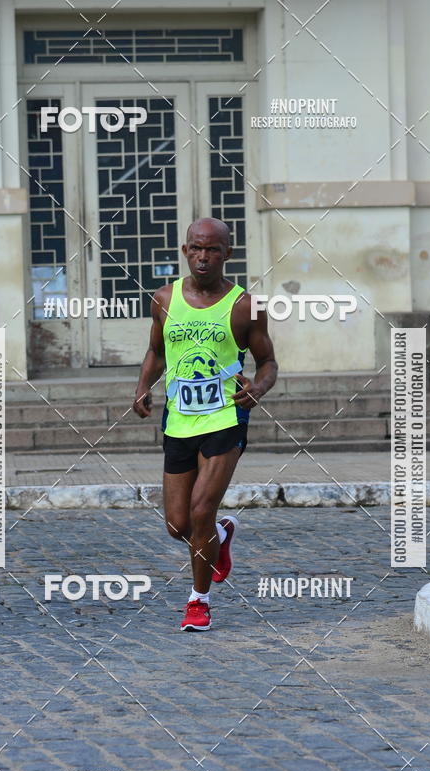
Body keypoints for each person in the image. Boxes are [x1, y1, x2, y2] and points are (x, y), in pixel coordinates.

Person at [133, 218, 278, 631]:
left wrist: (258, 387)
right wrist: (143, 385)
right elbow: (156, 351)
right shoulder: (164, 299)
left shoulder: (246, 306)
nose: (203, 257)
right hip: (178, 418)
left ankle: (199, 601)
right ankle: (220, 533)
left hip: (225, 417)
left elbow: (268, 361)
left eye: (212, 249)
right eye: (196, 248)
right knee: (178, 524)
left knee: (200, 510)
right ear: (185, 251)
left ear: (227, 253)